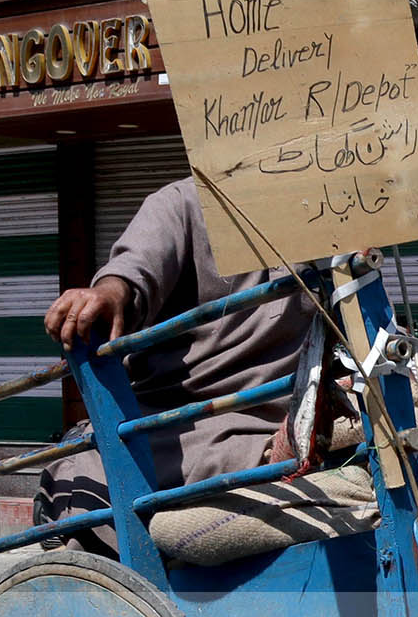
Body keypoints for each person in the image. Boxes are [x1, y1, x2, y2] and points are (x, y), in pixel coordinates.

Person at [33, 176, 327, 542]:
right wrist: (108, 293)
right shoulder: (184, 203)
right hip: (187, 420)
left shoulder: (327, 204)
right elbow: (134, 269)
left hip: (294, 415)